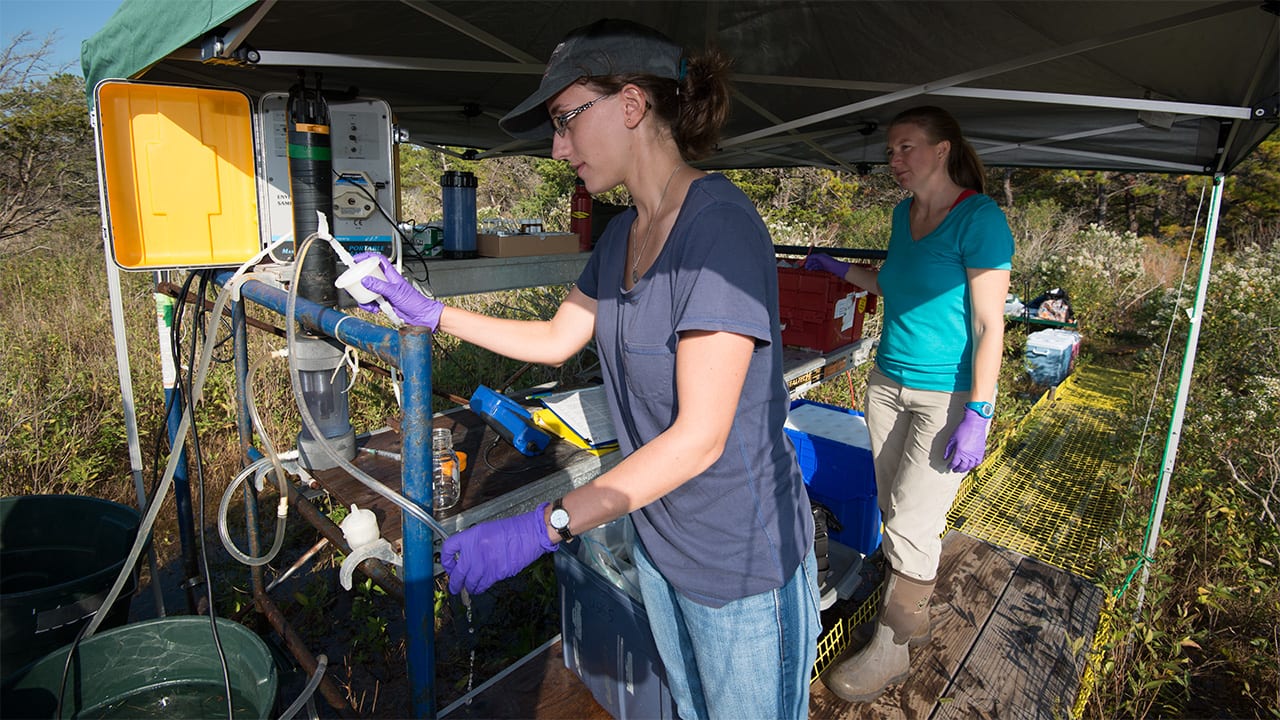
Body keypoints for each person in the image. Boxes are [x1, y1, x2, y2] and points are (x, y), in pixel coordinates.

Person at [353, 18, 821, 719]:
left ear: (631, 105)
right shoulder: (623, 235)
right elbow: (555, 338)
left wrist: (543, 526)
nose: (557, 146)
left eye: (566, 120)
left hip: (741, 565)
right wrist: (431, 312)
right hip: (662, 544)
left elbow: (701, 437)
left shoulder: (717, 227)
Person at [803, 105, 1014, 703]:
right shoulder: (904, 214)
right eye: (890, 150)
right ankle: (912, 616)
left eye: (905, 148)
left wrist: (980, 411)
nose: (893, 160)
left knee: (916, 524)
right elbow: (893, 282)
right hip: (886, 383)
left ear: (943, 150)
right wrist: (839, 269)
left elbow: (988, 324)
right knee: (896, 508)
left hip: (945, 397)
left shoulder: (979, 219)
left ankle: (892, 652)